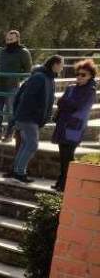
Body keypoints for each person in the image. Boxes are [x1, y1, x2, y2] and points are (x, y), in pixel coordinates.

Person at [6, 54, 62, 183]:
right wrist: (35, 115)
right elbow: (27, 98)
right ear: (55, 65)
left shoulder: (48, 78)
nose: (62, 68)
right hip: (28, 118)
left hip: (30, 118)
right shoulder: (40, 77)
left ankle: (17, 171)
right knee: (32, 145)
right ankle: (19, 173)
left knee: (26, 144)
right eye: (61, 65)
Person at [51, 59, 97, 191]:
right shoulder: (71, 88)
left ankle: (66, 184)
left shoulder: (90, 91)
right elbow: (62, 103)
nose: (79, 77)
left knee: (68, 156)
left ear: (90, 76)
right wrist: (65, 103)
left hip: (74, 128)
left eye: (83, 75)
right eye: (78, 74)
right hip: (63, 125)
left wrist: (64, 103)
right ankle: (61, 182)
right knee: (63, 156)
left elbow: (75, 106)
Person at [0, 30, 33, 142]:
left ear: (17, 39)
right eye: (7, 39)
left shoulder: (23, 52)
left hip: (12, 85)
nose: (9, 41)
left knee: (10, 111)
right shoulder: (3, 52)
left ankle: (9, 134)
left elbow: (28, 70)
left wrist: (18, 79)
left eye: (11, 39)